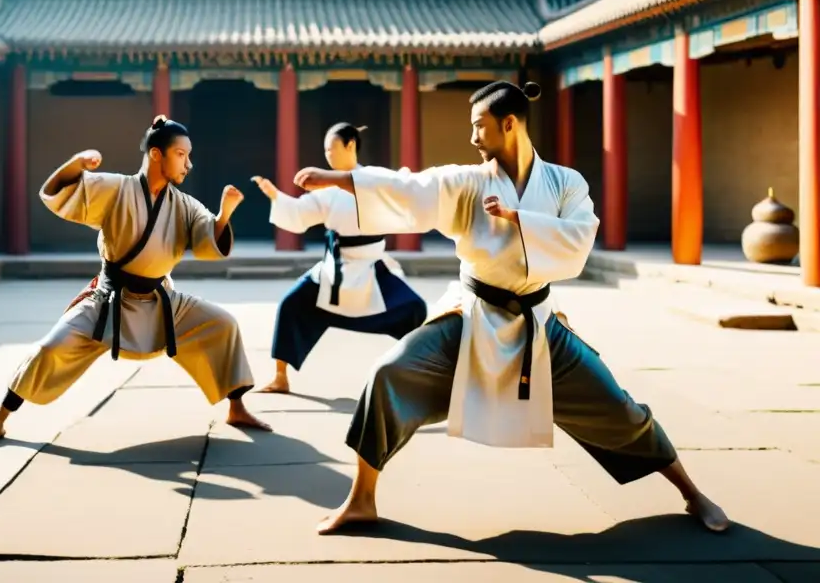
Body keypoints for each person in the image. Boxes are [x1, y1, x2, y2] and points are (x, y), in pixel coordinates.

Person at [292, 81, 729, 535]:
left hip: (537, 324)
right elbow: (411, 188)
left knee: (617, 407)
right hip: (470, 314)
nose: (473, 138)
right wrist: (341, 180)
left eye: (480, 127)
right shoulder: (469, 182)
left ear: (509, 124)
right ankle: (361, 499)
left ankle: (692, 493)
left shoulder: (564, 183)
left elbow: (578, 241)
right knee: (388, 373)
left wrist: (520, 219)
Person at [0, 115, 269, 449]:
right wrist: (75, 164)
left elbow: (205, 240)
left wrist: (224, 215)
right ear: (157, 154)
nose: (189, 164)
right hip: (108, 302)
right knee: (49, 349)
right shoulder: (116, 189)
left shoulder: (183, 205)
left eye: (189, 155)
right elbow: (57, 192)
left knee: (223, 325)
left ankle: (237, 408)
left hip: (161, 302)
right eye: (182, 154)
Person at [250, 123, 428, 394]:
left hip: (371, 267)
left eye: (332, 149)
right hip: (335, 268)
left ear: (350, 145)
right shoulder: (327, 188)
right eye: (325, 150)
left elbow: (400, 187)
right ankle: (280, 377)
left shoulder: (373, 179)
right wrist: (276, 196)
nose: (328, 155)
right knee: (290, 304)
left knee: (415, 309)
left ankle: (419, 374)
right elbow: (299, 214)